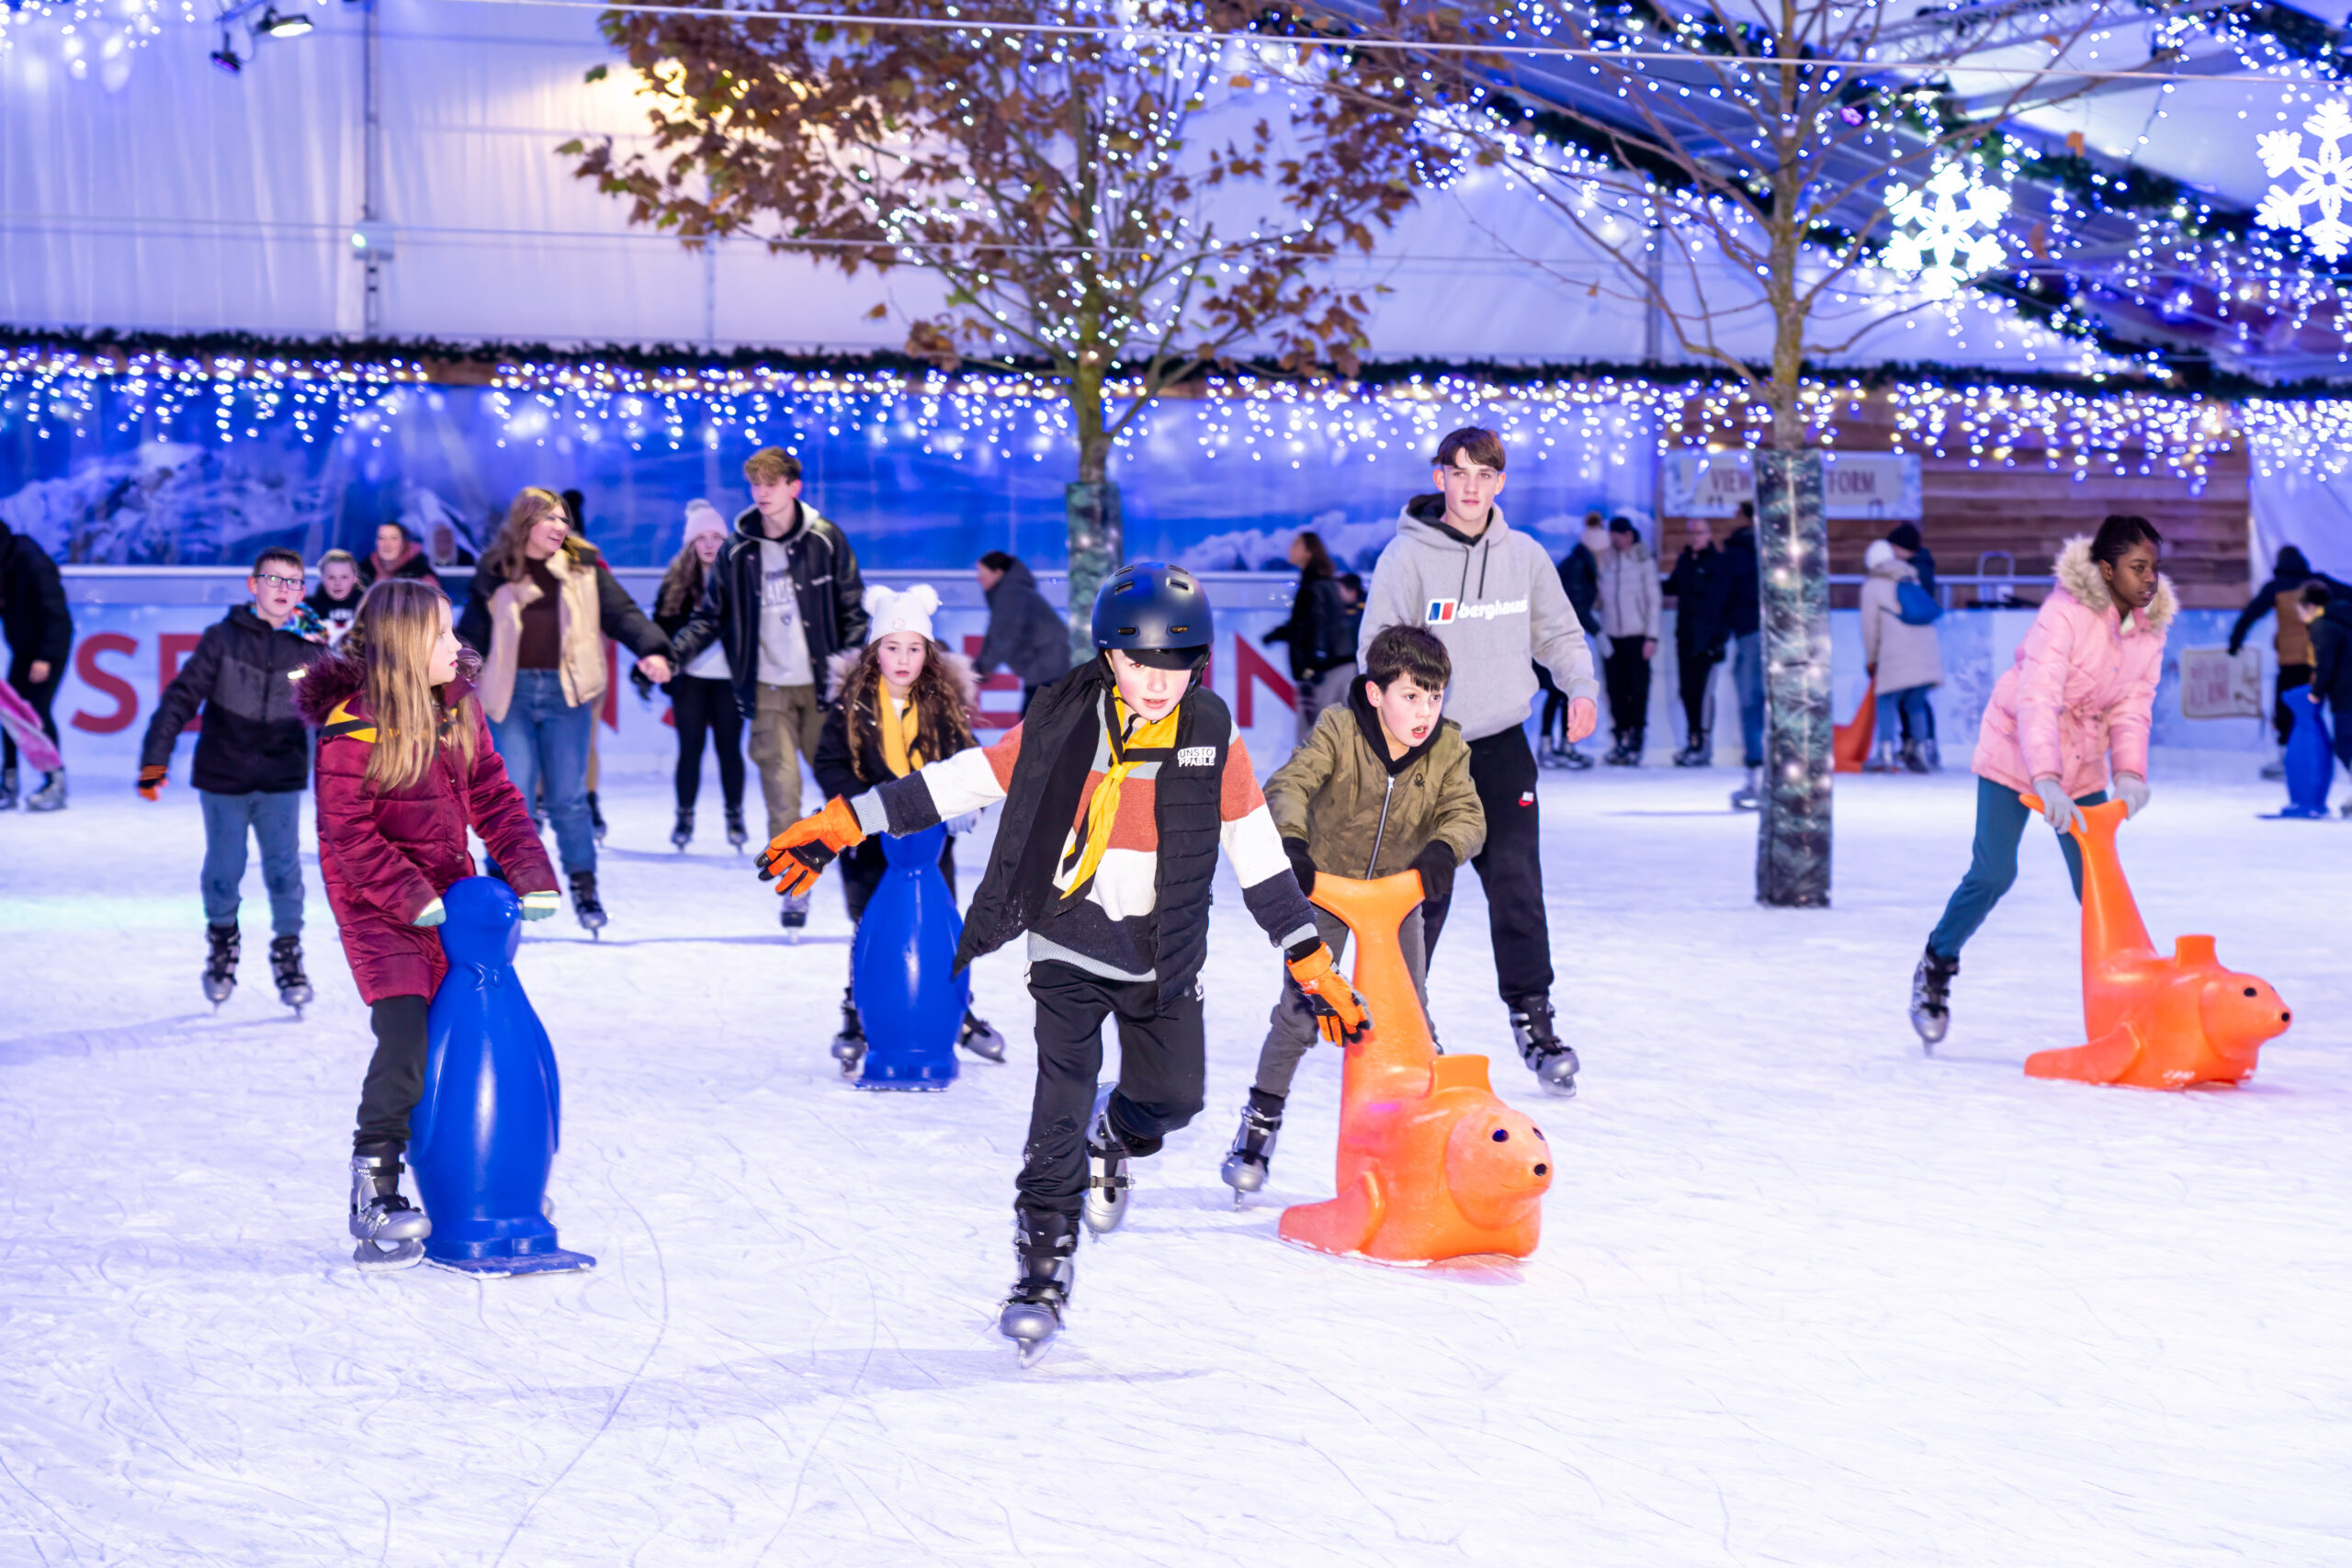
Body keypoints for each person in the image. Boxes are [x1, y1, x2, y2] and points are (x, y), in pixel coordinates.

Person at [758, 563, 1366, 1361]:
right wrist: (846, 821)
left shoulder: (1213, 733)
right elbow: (963, 780)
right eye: (1139, 662)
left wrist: (1309, 959)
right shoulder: (1063, 721)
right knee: (1058, 1108)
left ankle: (1114, 1138)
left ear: (1200, 663)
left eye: (1174, 664)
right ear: (1110, 656)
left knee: (1175, 1099)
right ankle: (1042, 1265)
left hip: (1164, 952)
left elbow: (1255, 852)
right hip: (1069, 940)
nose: (1156, 681)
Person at [293, 578, 561, 1270]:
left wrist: (528, 871)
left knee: (471, 1037)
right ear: (407, 643)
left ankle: (485, 1180)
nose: (458, 645)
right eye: (443, 634)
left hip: (447, 899)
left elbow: (494, 794)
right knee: (408, 1040)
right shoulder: (353, 724)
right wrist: (410, 894)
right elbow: (346, 835)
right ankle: (376, 1188)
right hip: (378, 910)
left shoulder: (457, 706)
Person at [1358, 426, 1598, 1096]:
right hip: (1428, 751)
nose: (1470, 486)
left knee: (1518, 884)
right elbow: (1375, 645)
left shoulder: (1523, 556)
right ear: (1440, 478)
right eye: (1458, 473)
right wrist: (1404, 715)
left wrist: (1580, 687)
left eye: (1484, 475)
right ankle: (1405, 1019)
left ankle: (1534, 1016)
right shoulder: (1405, 559)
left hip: (1501, 747)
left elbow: (1558, 633)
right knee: (1423, 893)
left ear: (1500, 482)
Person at [1220, 624, 1485, 1197]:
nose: (1425, 712)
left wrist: (1444, 849)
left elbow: (1466, 812)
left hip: (1395, 900)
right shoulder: (1338, 731)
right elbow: (1291, 783)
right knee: (1299, 1010)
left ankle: (1427, 1130)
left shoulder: (1448, 747)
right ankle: (1260, 1123)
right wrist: (1292, 843)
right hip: (1328, 893)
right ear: (1375, 693)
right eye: (1411, 696)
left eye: (1434, 697)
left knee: (1411, 1013)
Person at [1910, 517, 2173, 1046]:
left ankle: (2137, 999)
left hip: (2079, 762)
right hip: (2015, 749)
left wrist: (2128, 771)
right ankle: (1937, 961)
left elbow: (2132, 706)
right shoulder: (2065, 616)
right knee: (1993, 872)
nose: (2150, 580)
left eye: (2154, 568)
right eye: (2138, 568)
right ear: (2107, 568)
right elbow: (2037, 699)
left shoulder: (2148, 633)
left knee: (2098, 881)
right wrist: (2045, 778)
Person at [455, 487, 673, 933]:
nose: (560, 527)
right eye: (549, 519)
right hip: (508, 695)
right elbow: (472, 635)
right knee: (510, 797)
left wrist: (651, 649)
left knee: (568, 798)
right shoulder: (495, 569)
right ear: (524, 524)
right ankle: (503, 888)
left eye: (563, 519)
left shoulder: (584, 566)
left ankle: (583, 884)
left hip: (567, 693)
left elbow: (622, 613)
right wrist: (446, 682)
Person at [669, 446, 870, 929]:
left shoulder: (825, 540)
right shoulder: (738, 550)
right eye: (755, 484)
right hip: (766, 691)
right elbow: (711, 614)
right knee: (781, 791)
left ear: (793, 487)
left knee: (845, 790)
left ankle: (865, 886)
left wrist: (850, 678)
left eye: (772, 483)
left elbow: (852, 610)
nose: (762, 492)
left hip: (825, 691)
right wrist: (670, 655)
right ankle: (795, 887)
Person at [810, 582, 1006, 1069]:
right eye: (892, 648)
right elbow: (829, 765)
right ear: (876, 651)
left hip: (931, 849)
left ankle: (956, 1013)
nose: (902, 659)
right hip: (868, 847)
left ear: (928, 653)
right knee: (870, 929)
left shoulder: (942, 707)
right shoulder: (850, 708)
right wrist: (866, 807)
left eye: (914, 648)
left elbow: (971, 762)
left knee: (940, 928)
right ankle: (858, 1011)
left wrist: (971, 803)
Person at [137, 547, 333, 1011]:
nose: (283, 590)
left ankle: (289, 951)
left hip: (281, 778)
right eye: (273, 579)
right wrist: (153, 762)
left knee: (284, 871)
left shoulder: (313, 645)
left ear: (302, 592)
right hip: (223, 775)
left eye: (293, 582)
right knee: (224, 870)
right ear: (253, 585)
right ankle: (223, 942)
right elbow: (180, 698)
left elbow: (333, 718)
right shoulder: (222, 639)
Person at [647, 501, 748, 852]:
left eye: (715, 537)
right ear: (690, 544)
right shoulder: (676, 582)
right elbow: (660, 630)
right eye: (700, 538)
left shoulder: (743, 579)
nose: (708, 545)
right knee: (690, 749)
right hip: (689, 681)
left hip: (730, 681)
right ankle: (684, 816)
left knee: (729, 750)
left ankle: (734, 816)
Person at [2229, 545, 2350, 779]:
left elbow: (2250, 615)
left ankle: (2287, 759)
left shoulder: (2276, 588)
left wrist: (2235, 642)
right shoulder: (2317, 582)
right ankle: (2321, 759)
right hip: (2321, 660)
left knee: (2286, 712)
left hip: (2291, 662)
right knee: (2320, 712)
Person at [0, 516, 73, 811]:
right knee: (10, 714)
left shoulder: (30, 560)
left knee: (36, 714)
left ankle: (55, 781)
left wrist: (45, 656)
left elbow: (57, 613)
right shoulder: (5, 563)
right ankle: (9, 781)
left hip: (47, 649)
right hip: (24, 649)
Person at [1860, 538, 1944, 774]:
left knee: (1886, 700)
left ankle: (1885, 754)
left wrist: (1871, 658)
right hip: (1927, 649)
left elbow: (1870, 627)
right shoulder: (1911, 577)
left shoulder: (1873, 586)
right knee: (1915, 703)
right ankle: (1920, 751)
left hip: (1896, 651)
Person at [1262, 530, 1353, 742]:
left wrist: (1313, 666)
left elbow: (1319, 627)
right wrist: (1278, 634)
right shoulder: (1321, 583)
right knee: (1325, 735)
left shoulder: (1315, 586)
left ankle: (1313, 775)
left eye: (1295, 545)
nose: (1289, 549)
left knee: (1314, 738)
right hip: (1333, 667)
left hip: (1325, 672)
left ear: (1308, 552)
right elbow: (1307, 626)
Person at [1663, 516, 1733, 767]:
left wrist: (1719, 640)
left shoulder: (1718, 564)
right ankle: (1692, 740)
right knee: (1687, 692)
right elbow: (1673, 587)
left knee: (1703, 694)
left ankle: (1703, 744)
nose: (1695, 537)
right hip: (1686, 638)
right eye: (1691, 532)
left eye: (1700, 532)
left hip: (1708, 641)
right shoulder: (1684, 562)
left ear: (1708, 535)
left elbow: (1724, 604)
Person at [1539, 513, 1604, 770]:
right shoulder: (1577, 567)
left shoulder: (1579, 564)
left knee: (1560, 694)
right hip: (1557, 638)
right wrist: (1598, 631)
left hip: (1560, 636)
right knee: (1560, 693)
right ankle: (1556, 747)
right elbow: (1575, 606)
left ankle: (1559, 745)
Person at [1595, 515, 1660, 765]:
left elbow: (1653, 600)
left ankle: (1636, 738)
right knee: (1615, 690)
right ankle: (1620, 737)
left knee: (1638, 689)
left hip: (1638, 636)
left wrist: (1652, 636)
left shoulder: (1643, 560)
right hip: (1613, 636)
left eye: (1618, 534)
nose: (1615, 539)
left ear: (1629, 535)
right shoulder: (1607, 560)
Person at [974, 550, 1071, 712]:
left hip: (1046, 669)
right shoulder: (1012, 591)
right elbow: (996, 633)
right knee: (1034, 722)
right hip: (1048, 668)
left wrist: (983, 667)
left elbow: (1005, 636)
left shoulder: (1011, 594)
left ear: (998, 572)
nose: (978, 578)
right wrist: (983, 665)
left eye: (982, 572)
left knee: (1032, 724)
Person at [1722, 504, 1765, 809]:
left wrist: (1717, 634)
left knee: (1752, 705)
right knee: (1765, 707)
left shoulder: (1738, 552)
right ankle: (1768, 775)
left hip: (1751, 633)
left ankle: (1759, 775)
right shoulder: (1776, 549)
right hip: (1781, 635)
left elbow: (1724, 594)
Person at [2297, 581, 2352, 812]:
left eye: (2300, 610)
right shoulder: (2344, 617)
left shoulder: (2323, 625)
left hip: (2347, 694)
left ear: (2310, 607)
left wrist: (2316, 693)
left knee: (2346, 743)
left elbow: (2325, 663)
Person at [307, 549, 365, 649]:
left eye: (344, 577)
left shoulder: (368, 605)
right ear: (322, 577)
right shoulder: (308, 608)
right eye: (331, 577)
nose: (338, 583)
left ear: (355, 577)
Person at [358, 522, 434, 589]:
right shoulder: (363, 572)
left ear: (403, 544)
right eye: (381, 538)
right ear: (375, 542)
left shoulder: (422, 576)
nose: (387, 544)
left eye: (394, 538)